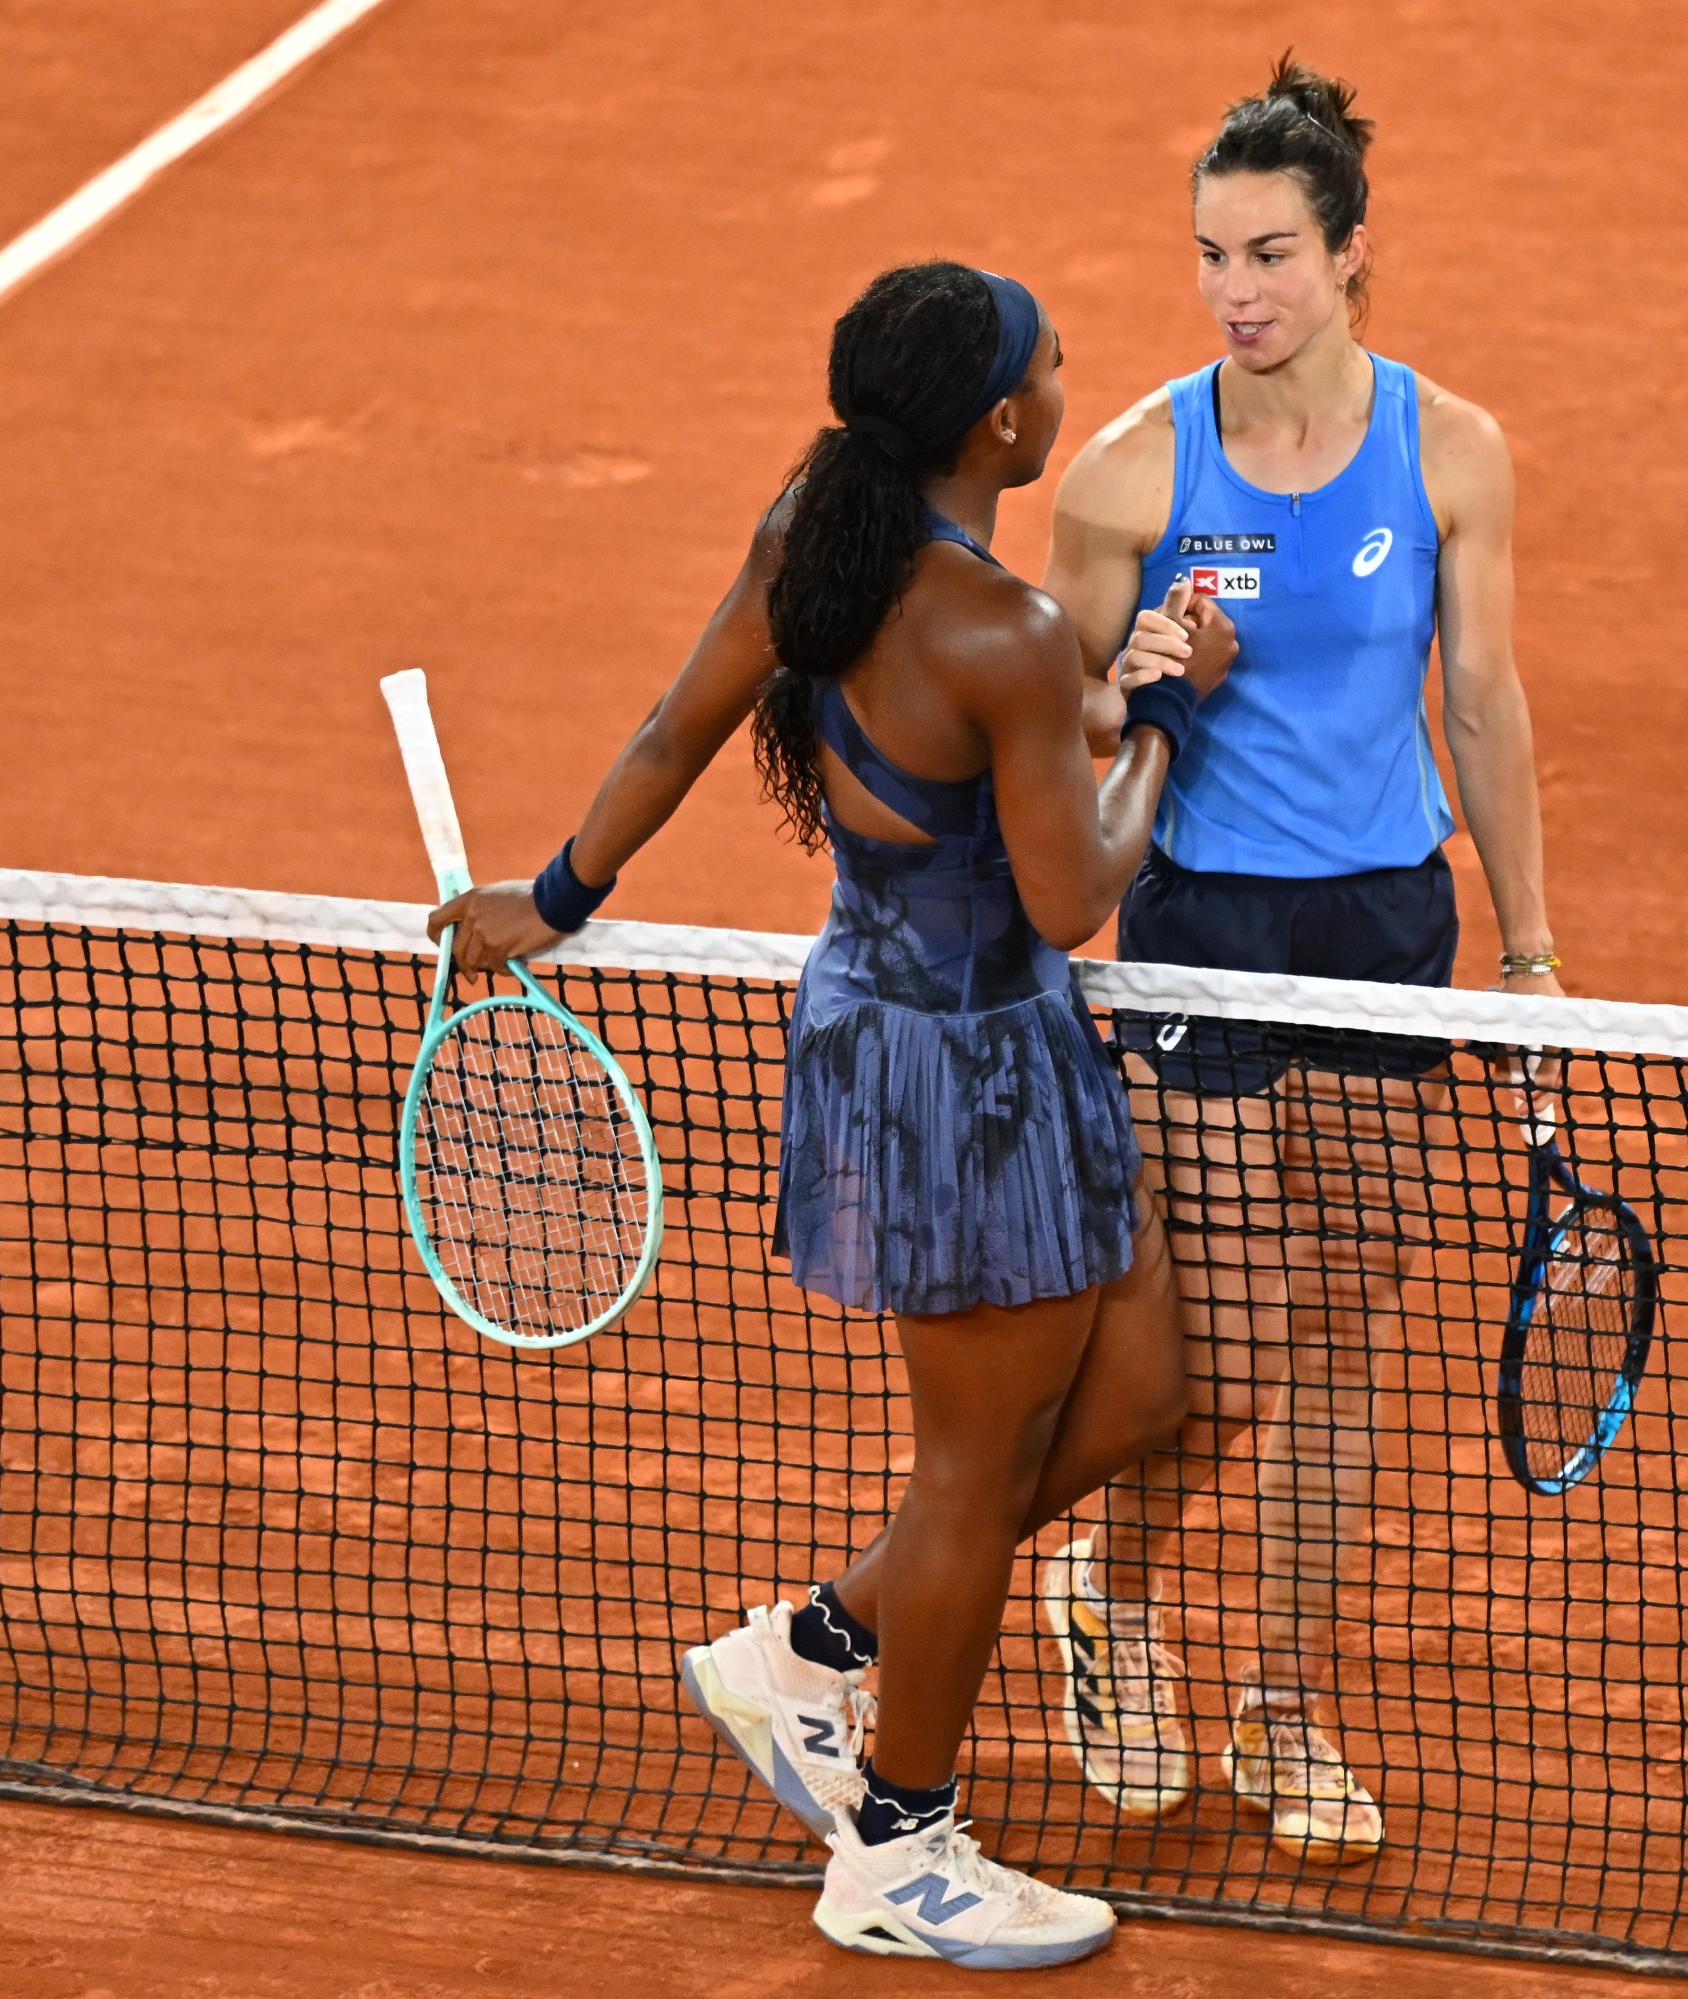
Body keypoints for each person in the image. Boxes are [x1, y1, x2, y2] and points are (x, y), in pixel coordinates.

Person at [430, 262, 1234, 1966]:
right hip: (971, 1080)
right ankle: (899, 1846)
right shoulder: (1000, 635)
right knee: (970, 1477)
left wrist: (558, 894)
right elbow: (1075, 887)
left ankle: (805, 1651)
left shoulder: (817, 524)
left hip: (909, 1036)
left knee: (1149, 1384)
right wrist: (1162, 713)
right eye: (1051, 367)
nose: (1070, 378)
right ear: (998, 422)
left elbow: (678, 723)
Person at [1038, 58, 1562, 1866]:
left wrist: (1533, 954)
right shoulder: (1128, 474)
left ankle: (1285, 1704)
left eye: (1269, 254)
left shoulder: (1451, 450)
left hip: (1383, 927)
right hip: (1207, 933)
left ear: (1352, 258)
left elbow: (1479, 703)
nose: (1235, 292)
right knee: (1237, 1346)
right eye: (1210, 257)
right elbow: (1057, 713)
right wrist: (1147, 679)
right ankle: (1110, 1607)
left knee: (1343, 1336)